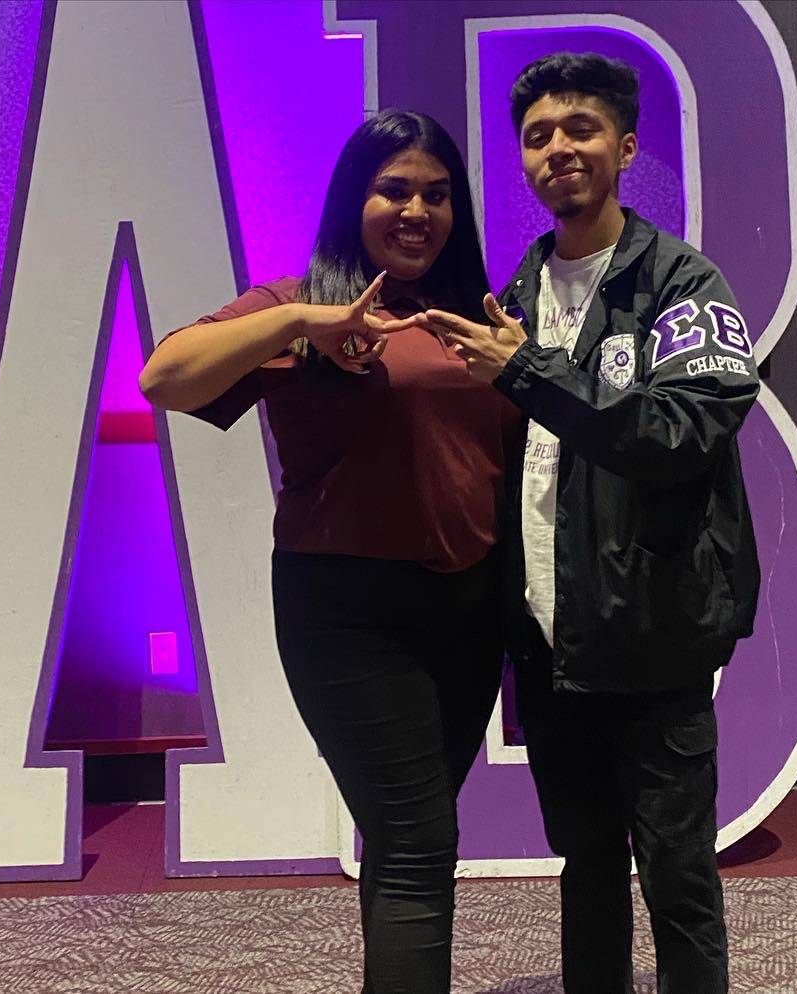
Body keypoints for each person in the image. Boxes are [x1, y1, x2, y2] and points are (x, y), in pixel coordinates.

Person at [140, 109, 518, 993]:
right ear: (356, 199)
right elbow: (164, 376)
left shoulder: (483, 316)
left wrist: (522, 366)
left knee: (405, 838)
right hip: (348, 613)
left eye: (436, 193)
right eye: (394, 189)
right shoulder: (296, 305)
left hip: (470, 610)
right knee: (423, 843)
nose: (416, 209)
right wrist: (300, 323)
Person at [416, 54, 761, 994]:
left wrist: (528, 374)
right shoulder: (517, 290)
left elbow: (684, 433)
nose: (559, 149)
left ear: (626, 146)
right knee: (588, 869)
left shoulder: (684, 284)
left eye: (581, 129)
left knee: (680, 877)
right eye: (538, 136)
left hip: (657, 642)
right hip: (550, 644)